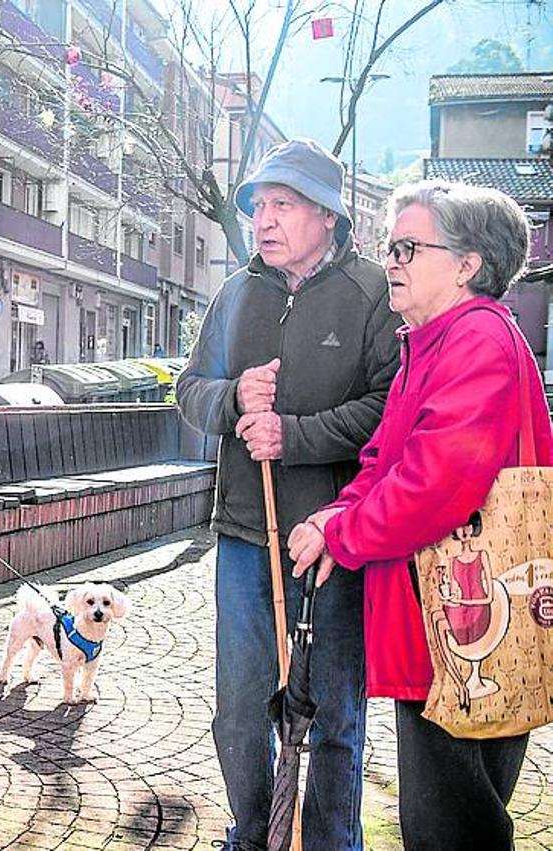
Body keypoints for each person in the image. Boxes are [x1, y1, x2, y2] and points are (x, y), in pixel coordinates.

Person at [287, 181, 549, 850]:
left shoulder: (476, 340)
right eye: (388, 246)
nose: (392, 261)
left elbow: (436, 483)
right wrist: (336, 515)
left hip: (466, 623)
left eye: (408, 247)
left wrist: (339, 531)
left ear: (468, 265)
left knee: (449, 826)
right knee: (444, 816)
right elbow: (384, 462)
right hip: (445, 625)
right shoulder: (430, 342)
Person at [176, 138, 401, 850]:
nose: (264, 220)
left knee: (332, 710)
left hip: (334, 539)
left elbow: (388, 407)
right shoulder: (237, 292)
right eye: (259, 206)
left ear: (327, 216)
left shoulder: (372, 292)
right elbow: (188, 389)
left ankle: (334, 841)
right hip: (245, 531)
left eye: (284, 205)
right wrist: (233, 394)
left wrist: (293, 435)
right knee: (241, 708)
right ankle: (255, 834)